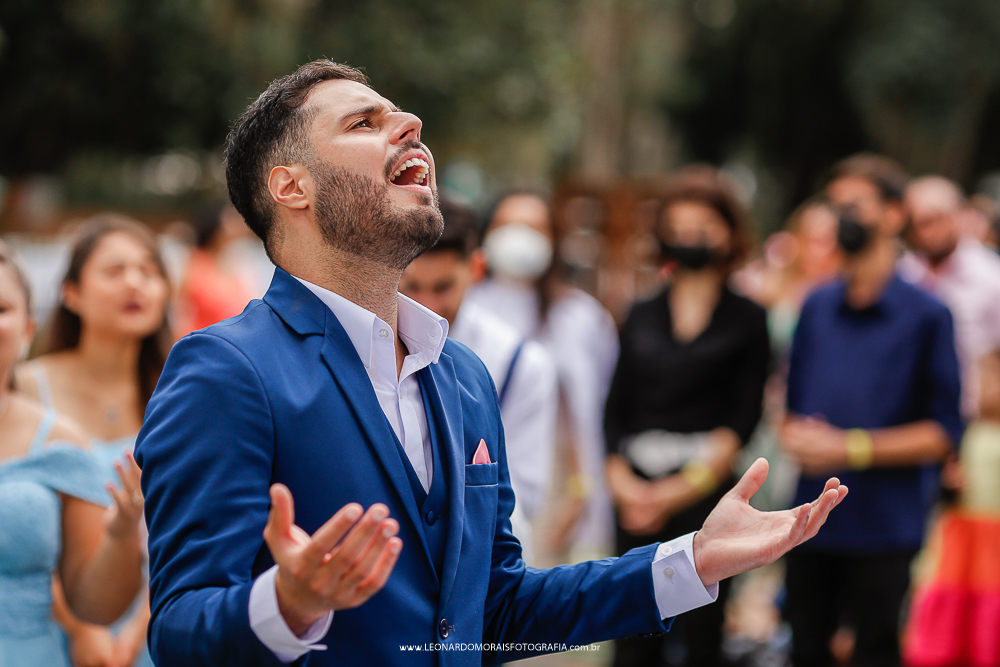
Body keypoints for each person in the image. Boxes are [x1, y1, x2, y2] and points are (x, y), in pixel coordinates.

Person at [135, 59, 848, 667]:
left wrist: (689, 560)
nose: (409, 122)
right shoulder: (225, 369)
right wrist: (285, 605)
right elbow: (178, 629)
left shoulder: (465, 375)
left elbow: (497, 609)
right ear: (292, 186)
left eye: (399, 113)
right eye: (363, 123)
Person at [780, 154, 964, 666]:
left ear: (894, 214)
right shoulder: (815, 307)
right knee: (804, 646)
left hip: (886, 524)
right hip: (809, 519)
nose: (842, 218)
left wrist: (850, 446)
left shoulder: (929, 314)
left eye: (854, 205)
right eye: (834, 206)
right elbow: (793, 407)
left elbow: (944, 431)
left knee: (876, 650)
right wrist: (794, 436)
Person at [604, 167, 771, 667]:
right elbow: (615, 408)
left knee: (701, 631)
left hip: (707, 492)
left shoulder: (748, 318)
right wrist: (625, 486)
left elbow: (743, 419)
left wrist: (678, 491)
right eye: (679, 228)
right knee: (632, 630)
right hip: (634, 487)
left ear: (728, 231)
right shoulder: (641, 312)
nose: (690, 239)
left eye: (703, 228)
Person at [17, 215, 171, 667]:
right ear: (71, 294)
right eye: (114, 271)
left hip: (156, 619)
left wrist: (135, 629)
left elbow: (190, 524)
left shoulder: (182, 392)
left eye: (149, 271)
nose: (135, 284)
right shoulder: (26, 388)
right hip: (47, 627)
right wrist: (84, 629)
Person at [399, 198, 557, 563]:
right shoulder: (378, 343)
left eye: (442, 288)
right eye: (411, 287)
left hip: (482, 557)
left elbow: (523, 495)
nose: (426, 305)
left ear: (476, 269)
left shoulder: (520, 363)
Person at [465, 191, 619, 559]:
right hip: (485, 480)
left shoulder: (581, 317)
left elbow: (594, 413)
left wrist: (580, 494)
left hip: (565, 488)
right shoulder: (463, 310)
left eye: (533, 228)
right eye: (508, 226)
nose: (519, 238)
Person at [903, 348, 1000, 667]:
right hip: (960, 541)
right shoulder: (963, 432)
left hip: (993, 547)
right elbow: (940, 487)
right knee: (950, 612)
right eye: (987, 376)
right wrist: (948, 482)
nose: (991, 387)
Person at [900, 176, 1000, 418]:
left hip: (965, 415)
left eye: (933, 219)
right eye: (915, 223)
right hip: (902, 409)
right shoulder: (902, 272)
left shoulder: (991, 277)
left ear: (959, 214)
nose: (925, 231)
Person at [174, 203, 257, 337]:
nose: (238, 224)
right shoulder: (195, 265)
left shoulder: (234, 262)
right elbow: (179, 315)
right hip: (202, 346)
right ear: (215, 227)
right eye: (230, 220)